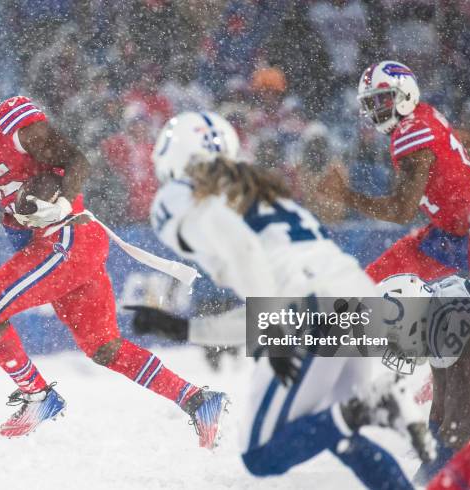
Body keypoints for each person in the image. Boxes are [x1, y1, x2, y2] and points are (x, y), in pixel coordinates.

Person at [0, 63, 227, 448]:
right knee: (105, 348)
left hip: (65, 239)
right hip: (59, 247)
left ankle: (38, 396)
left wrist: (57, 199)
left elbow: (76, 161)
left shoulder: (11, 120)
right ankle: (198, 400)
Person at [143, 110, 433, 489]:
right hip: (356, 301)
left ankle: (375, 405)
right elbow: (270, 284)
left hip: (312, 310)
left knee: (262, 454)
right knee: (337, 433)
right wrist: (193, 329)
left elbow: (246, 254)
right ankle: (375, 421)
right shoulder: (262, 193)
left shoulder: (179, 196)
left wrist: (272, 328)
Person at [322, 60, 470, 283]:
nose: (376, 109)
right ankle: (340, 316)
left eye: (381, 99)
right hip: (452, 230)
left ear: (404, 93)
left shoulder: (409, 133)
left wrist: (346, 196)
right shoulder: (425, 113)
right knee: (371, 281)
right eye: (370, 102)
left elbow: (401, 211)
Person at [378, 274, 470, 483]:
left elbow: (461, 423)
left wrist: (426, 481)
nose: (393, 350)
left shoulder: (454, 321)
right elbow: (441, 411)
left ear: (408, 320)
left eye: (392, 340)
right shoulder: (438, 321)